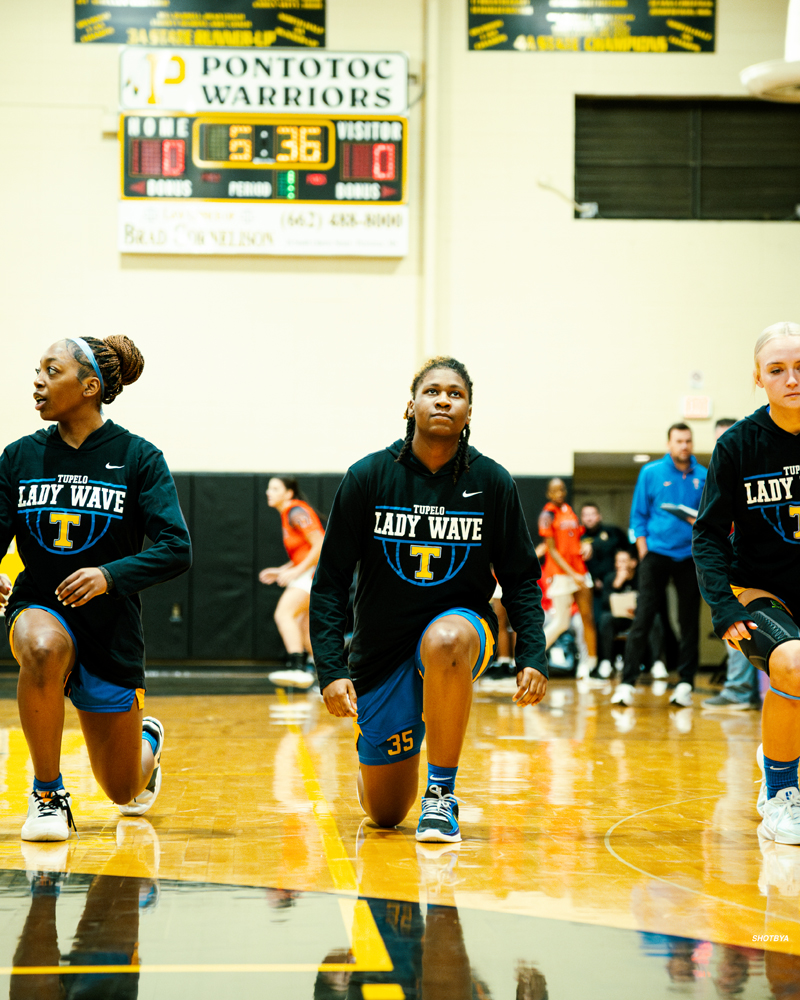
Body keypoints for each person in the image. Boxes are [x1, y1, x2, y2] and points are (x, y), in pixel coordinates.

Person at [309, 356, 547, 843]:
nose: (443, 399)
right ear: (410, 405)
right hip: (382, 651)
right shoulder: (368, 476)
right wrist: (332, 669)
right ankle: (379, 760)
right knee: (385, 814)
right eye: (432, 391)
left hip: (460, 632)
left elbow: (522, 577)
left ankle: (442, 795)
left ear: (469, 412)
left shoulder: (493, 482)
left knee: (444, 638)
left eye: (456, 394)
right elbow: (330, 580)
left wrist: (533, 654)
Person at [0, 336, 191, 842]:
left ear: (90, 386)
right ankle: (48, 796)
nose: (37, 381)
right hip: (40, 603)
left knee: (123, 790)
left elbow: (177, 547)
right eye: (36, 370)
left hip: (112, 628)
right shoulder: (18, 457)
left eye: (51, 370)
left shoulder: (139, 457)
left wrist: (109, 575)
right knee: (42, 648)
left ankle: (145, 743)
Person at [693, 321, 800, 844]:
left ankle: (779, 746)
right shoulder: (737, 446)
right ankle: (780, 791)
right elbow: (709, 534)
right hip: (758, 590)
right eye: (777, 369)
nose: (791, 378)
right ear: (758, 378)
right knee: (794, 663)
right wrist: (723, 608)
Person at [611, 423, 706, 707]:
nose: (684, 446)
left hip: (689, 556)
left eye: (688, 441)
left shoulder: (703, 475)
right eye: (679, 441)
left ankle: (686, 684)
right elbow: (638, 516)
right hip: (656, 554)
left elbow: (712, 518)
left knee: (689, 622)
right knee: (643, 618)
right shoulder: (651, 472)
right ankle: (627, 683)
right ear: (669, 444)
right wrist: (643, 551)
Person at [701, 418, 762, 712]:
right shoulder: (720, 471)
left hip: (759, 567)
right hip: (734, 564)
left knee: (744, 626)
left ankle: (741, 691)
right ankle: (741, 690)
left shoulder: (754, 463)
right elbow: (710, 529)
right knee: (736, 623)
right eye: (719, 441)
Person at [259, 476, 325, 689]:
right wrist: (282, 570)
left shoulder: (296, 511)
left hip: (316, 573)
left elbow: (320, 543)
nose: (269, 492)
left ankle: (297, 667)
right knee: (306, 630)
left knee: (284, 614)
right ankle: (326, 677)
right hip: (310, 571)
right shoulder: (288, 515)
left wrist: (296, 570)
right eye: (269, 488)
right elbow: (302, 551)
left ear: (288, 493)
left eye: (275, 488)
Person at [538, 478, 597, 677]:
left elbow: (576, 538)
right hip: (561, 575)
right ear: (548, 493)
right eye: (555, 491)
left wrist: (586, 545)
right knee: (561, 622)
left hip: (580, 570)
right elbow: (552, 550)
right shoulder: (547, 515)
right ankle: (531, 657)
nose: (560, 493)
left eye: (562, 489)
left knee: (587, 617)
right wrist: (573, 574)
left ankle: (591, 665)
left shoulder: (569, 510)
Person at [579, 502, 628, 623]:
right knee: (595, 621)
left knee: (620, 618)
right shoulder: (578, 537)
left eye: (592, 514)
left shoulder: (612, 532)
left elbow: (628, 551)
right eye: (586, 515)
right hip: (592, 589)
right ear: (581, 518)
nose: (589, 518)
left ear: (599, 516)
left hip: (615, 585)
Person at [595, 547, 638, 677]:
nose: (621, 565)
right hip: (618, 618)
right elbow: (605, 603)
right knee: (605, 618)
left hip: (636, 618)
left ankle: (656, 663)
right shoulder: (610, 578)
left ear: (633, 562)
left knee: (655, 618)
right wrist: (617, 583)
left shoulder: (640, 577)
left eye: (624, 561)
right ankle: (607, 662)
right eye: (618, 561)